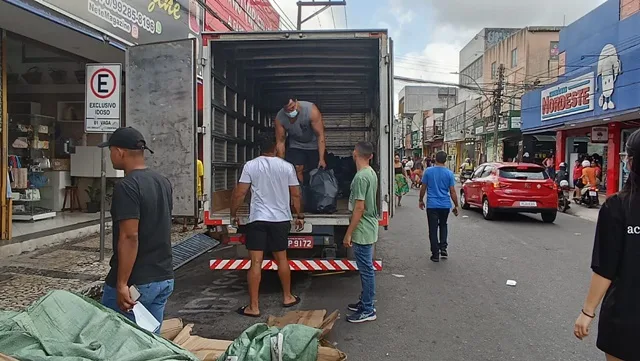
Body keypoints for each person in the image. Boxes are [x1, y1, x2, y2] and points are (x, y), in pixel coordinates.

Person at [98, 127, 174, 330]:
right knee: (150, 344)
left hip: (136, 282)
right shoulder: (162, 182)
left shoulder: (127, 186)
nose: (111, 155)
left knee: (115, 342)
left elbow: (130, 236)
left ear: (120, 152)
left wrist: (122, 283)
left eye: (111, 150)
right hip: (163, 277)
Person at [574, 128, 640, 361]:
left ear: (631, 162)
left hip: (625, 318)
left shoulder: (617, 207)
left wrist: (587, 311)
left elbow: (605, 267)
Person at [231, 132, 304, 317]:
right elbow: (295, 194)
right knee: (282, 260)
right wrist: (299, 215)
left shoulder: (251, 165)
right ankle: (287, 297)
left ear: (259, 149)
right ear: (275, 147)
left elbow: (240, 193)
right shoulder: (287, 167)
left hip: (258, 219)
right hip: (280, 220)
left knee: (255, 262)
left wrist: (233, 213)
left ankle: (253, 307)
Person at [344, 141, 379, 323]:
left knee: (366, 270)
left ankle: (367, 308)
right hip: (368, 226)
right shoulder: (370, 173)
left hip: (362, 229)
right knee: (367, 269)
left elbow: (359, 208)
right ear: (371, 156)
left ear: (354, 153)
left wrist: (348, 232)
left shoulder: (360, 177)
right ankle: (365, 302)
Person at [419, 151, 459, 262]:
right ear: (445, 160)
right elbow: (452, 191)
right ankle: (443, 248)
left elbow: (423, 188)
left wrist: (421, 200)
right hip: (445, 205)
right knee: (443, 225)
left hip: (432, 205)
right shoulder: (449, 173)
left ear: (435, 159)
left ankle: (435, 254)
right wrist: (456, 205)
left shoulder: (428, 172)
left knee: (433, 229)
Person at [274, 97, 326, 183]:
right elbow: (280, 142)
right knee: (297, 168)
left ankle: (314, 191)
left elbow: (320, 135)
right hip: (296, 144)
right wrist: (280, 163)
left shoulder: (311, 110)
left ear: (296, 101)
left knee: (315, 170)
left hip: (313, 144)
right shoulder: (280, 118)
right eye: (288, 110)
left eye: (293, 107)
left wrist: (322, 158)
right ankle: (300, 191)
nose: (291, 111)